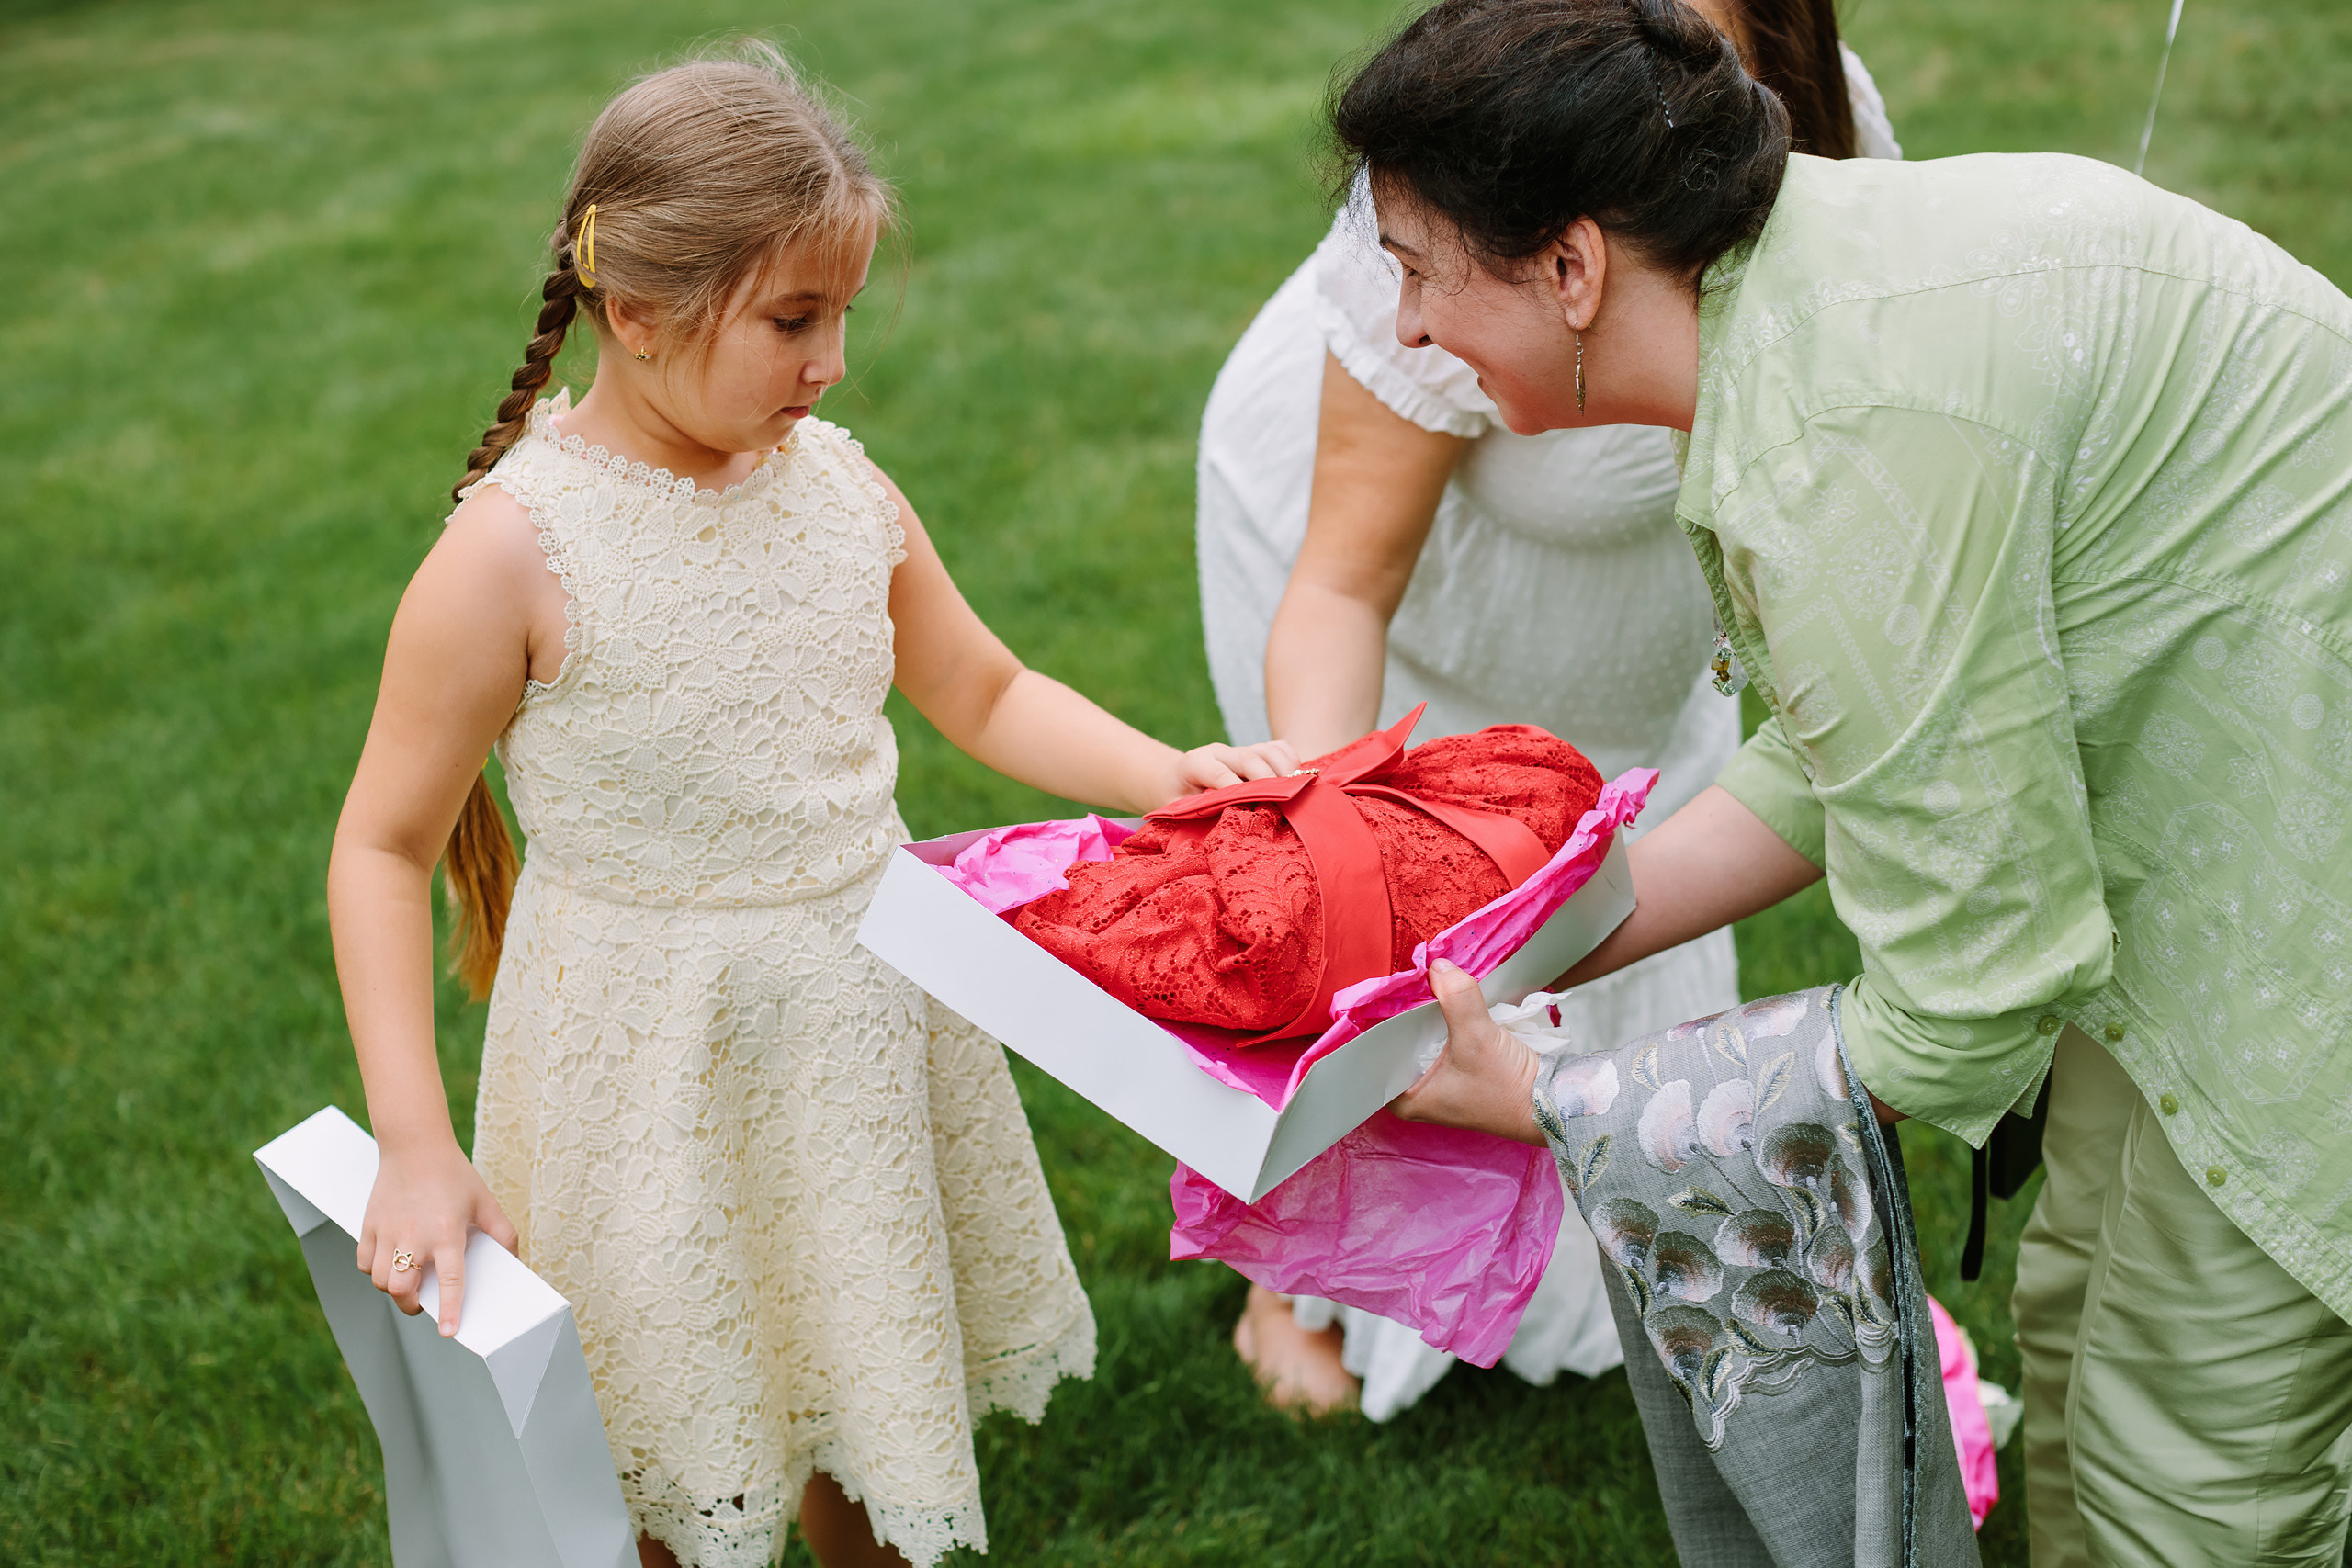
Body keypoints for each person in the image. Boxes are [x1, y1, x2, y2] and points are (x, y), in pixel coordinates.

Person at [1333, 0, 2352, 1560]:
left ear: (1571, 265)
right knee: (2085, 1355)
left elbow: (1970, 991)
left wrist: (1565, 1101)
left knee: (2191, 1487)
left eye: (1417, 268)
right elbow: (1834, 752)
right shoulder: (1800, 285)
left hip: (2294, 926)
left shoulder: (1839, 430)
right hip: (2213, 848)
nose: (1403, 326)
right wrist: (1500, 951)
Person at [325, 49, 1295, 1568]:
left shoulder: (839, 486)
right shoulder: (511, 557)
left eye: (839, 314)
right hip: (643, 1064)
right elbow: (382, 845)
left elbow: (982, 689)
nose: (833, 361)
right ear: (633, 312)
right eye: (795, 319)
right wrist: (412, 1139)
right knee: (669, 1443)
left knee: (869, 1398)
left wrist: (1161, 773)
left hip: (859, 1027)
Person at [1196, 0, 1899, 1416]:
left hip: (1630, 629)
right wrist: (1340, 849)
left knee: (1626, 893)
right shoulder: (1478, 166)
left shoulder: (1827, 127)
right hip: (1404, 599)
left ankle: (1613, 1206)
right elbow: (1342, 584)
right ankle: (1299, 1269)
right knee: (1383, 924)